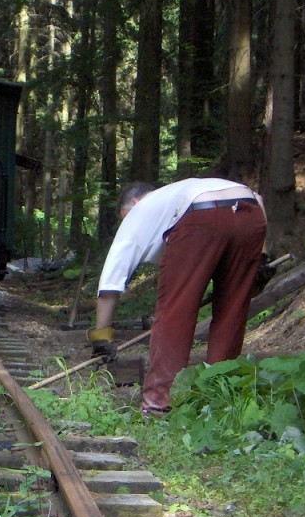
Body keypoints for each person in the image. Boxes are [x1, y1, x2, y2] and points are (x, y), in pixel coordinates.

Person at [89, 178, 267, 418]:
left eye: (123, 216)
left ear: (133, 202)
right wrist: (263, 256)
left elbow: (111, 280)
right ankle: (221, 400)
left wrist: (102, 335)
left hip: (201, 217)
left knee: (175, 312)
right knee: (232, 312)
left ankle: (157, 403)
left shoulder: (140, 210)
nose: (125, 222)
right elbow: (259, 199)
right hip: (250, 212)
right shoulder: (179, 193)